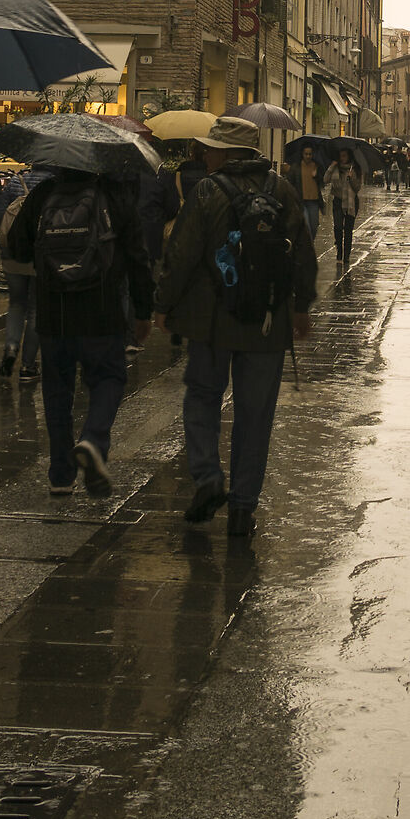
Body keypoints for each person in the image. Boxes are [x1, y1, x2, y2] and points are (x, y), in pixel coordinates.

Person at [156, 115, 315, 540]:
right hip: (266, 320)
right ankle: (243, 507)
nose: (205, 153)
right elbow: (302, 250)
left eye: (210, 148)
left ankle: (208, 475)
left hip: (211, 321)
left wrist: (163, 305)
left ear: (226, 153)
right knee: (255, 414)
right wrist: (301, 307)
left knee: (202, 399)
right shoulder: (281, 189)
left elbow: (181, 253)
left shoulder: (206, 191)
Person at [7, 166, 154, 499]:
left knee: (57, 391)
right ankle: (93, 439)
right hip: (101, 310)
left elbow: (16, 246)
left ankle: (61, 474)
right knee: (109, 378)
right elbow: (138, 257)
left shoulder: (43, 195)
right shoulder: (115, 196)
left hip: (53, 312)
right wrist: (143, 311)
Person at [0, 166, 47, 381]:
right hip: (38, 255)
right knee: (36, 309)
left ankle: (10, 348)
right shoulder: (51, 186)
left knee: (16, 304)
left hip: (13, 253)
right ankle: (27, 366)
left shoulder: (17, 182)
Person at [323, 145, 362, 269]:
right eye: (340, 156)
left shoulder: (354, 170)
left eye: (344, 156)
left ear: (349, 156)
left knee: (348, 231)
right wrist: (331, 166)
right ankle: (339, 252)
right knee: (338, 228)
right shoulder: (335, 169)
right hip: (338, 202)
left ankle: (346, 256)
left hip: (351, 203)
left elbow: (357, 188)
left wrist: (351, 178)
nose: (342, 158)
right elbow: (325, 179)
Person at [291, 143, 322, 244]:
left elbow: (323, 182)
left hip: (314, 201)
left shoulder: (316, 166)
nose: (308, 156)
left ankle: (309, 244)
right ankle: (306, 245)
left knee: (314, 227)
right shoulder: (296, 167)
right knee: (307, 226)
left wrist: (316, 176)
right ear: (302, 154)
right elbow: (290, 182)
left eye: (310, 154)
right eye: (306, 154)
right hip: (301, 202)